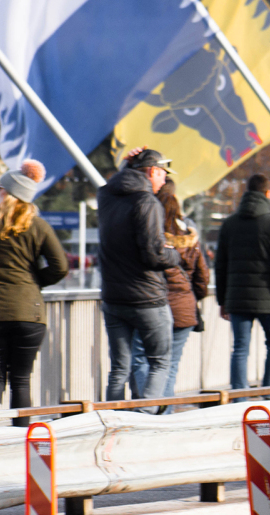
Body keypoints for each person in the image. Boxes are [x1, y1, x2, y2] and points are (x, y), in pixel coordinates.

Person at [0, 159, 68, 426]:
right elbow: (60, 266)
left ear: (7, 193)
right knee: (21, 378)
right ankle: (20, 434)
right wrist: (34, 282)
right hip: (29, 313)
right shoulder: (39, 227)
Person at [97, 148, 181, 405]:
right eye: (163, 175)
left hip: (113, 297)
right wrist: (174, 255)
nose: (164, 181)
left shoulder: (106, 197)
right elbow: (153, 256)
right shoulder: (147, 202)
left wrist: (126, 165)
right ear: (153, 171)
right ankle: (145, 418)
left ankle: (110, 418)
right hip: (147, 298)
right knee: (159, 362)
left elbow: (118, 183)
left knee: (119, 368)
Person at [128, 178, 208, 412]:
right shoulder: (189, 234)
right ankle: (166, 413)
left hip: (153, 304)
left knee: (143, 359)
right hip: (183, 307)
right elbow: (202, 275)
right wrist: (194, 297)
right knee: (170, 365)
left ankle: (147, 412)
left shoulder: (147, 230)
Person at [218, 174, 270, 389]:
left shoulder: (229, 225)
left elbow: (220, 266)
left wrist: (222, 300)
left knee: (240, 348)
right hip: (268, 299)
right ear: (268, 194)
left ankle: (239, 397)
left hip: (237, 298)